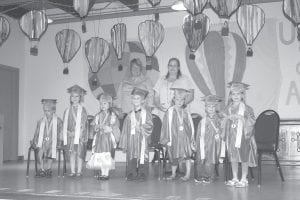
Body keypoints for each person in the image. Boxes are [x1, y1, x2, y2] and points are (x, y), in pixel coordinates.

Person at [152, 57, 194, 163]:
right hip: (164, 113)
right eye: (170, 65)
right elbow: (156, 96)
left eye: (175, 65)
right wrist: (158, 105)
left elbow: (191, 95)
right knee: (166, 136)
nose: (172, 67)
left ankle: (180, 160)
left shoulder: (185, 79)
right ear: (168, 67)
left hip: (180, 114)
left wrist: (180, 105)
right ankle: (170, 159)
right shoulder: (161, 79)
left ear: (179, 67)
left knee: (178, 136)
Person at [222, 82, 257, 188]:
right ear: (230, 95)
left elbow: (251, 122)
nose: (236, 96)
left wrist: (240, 117)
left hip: (243, 137)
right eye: (233, 94)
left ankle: (244, 178)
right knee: (233, 157)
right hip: (231, 137)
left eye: (238, 94)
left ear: (242, 95)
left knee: (243, 157)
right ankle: (235, 177)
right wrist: (227, 118)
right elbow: (222, 120)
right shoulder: (227, 108)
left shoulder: (247, 108)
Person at [160, 88, 195, 181]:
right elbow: (165, 125)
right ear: (173, 100)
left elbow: (190, 125)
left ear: (184, 101)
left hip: (185, 138)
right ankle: (173, 174)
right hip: (174, 137)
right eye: (177, 99)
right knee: (174, 155)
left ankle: (187, 174)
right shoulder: (169, 112)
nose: (179, 102)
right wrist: (166, 139)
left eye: (182, 100)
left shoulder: (186, 112)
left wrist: (191, 138)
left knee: (187, 155)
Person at [119, 87, 153, 181]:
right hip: (132, 139)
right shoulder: (129, 115)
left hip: (142, 138)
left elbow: (150, 125)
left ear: (143, 101)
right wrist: (125, 142)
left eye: (138, 98)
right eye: (134, 98)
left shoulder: (147, 113)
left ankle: (142, 173)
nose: (135, 100)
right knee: (131, 154)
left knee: (142, 155)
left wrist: (141, 128)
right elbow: (125, 129)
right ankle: (131, 172)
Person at [91, 93, 120, 180]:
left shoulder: (113, 115)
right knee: (101, 156)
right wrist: (96, 127)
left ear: (109, 104)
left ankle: (106, 174)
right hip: (100, 138)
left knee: (107, 155)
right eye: (101, 103)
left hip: (108, 139)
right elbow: (93, 125)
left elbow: (115, 125)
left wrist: (110, 128)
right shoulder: (97, 115)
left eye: (104, 103)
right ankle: (102, 173)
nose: (102, 105)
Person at [31, 99, 63, 178]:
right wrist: (35, 141)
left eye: (48, 111)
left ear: (53, 110)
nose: (46, 113)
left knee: (51, 149)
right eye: (45, 111)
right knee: (39, 148)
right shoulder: (41, 121)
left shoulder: (58, 121)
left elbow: (61, 133)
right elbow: (37, 133)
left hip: (53, 142)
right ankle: (41, 169)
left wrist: (60, 142)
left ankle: (49, 169)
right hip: (42, 142)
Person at [194, 95, 222, 184]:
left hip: (214, 144)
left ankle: (210, 176)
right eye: (209, 106)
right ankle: (200, 175)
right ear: (205, 108)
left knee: (211, 158)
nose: (211, 108)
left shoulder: (219, 120)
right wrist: (197, 143)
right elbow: (199, 134)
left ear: (216, 108)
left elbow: (221, 131)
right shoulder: (203, 121)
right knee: (201, 157)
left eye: (213, 106)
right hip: (203, 144)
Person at [62, 85, 88, 177]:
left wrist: (77, 133)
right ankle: (72, 171)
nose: (74, 98)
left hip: (79, 136)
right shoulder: (67, 110)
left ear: (80, 97)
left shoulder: (83, 110)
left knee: (79, 153)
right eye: (72, 96)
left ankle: (79, 171)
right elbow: (65, 124)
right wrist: (68, 132)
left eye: (77, 96)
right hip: (70, 136)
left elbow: (84, 123)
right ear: (70, 97)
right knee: (72, 153)